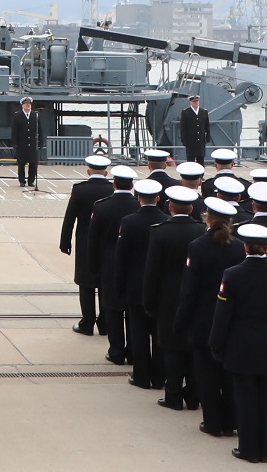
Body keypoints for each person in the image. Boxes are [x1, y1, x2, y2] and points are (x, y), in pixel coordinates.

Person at [209, 223, 267, 463]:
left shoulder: (232, 274)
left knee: (245, 399)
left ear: (244, 247)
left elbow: (222, 314)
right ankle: (266, 448)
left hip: (241, 344)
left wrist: (216, 343)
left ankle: (248, 448)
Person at [178, 199, 244, 437]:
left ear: (207, 218)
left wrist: (181, 320)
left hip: (204, 318)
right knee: (228, 374)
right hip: (231, 320)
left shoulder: (197, 246)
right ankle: (230, 420)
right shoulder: (239, 247)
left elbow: (190, 289)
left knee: (206, 375)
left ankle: (212, 422)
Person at [144, 186, 207, 411]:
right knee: (191, 345)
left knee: (171, 345)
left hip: (168, 293)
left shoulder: (160, 232)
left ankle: (173, 394)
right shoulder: (202, 230)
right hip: (196, 292)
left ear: (170, 207)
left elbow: (152, 270)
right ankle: (193, 395)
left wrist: (149, 301)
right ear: (191, 209)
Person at [114, 180, 167, 390]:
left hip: (136, 287)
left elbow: (121, 260)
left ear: (138, 198)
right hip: (160, 289)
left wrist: (120, 287)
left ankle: (141, 375)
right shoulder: (166, 221)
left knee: (139, 334)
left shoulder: (129, 222)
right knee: (159, 334)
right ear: (159, 199)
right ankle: (159, 376)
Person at [88, 168, 141, 364]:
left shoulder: (101, 207)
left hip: (109, 263)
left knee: (113, 309)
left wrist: (93, 266)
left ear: (114, 185)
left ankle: (117, 351)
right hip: (135, 265)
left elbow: (93, 239)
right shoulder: (138, 205)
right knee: (133, 312)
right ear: (132, 186)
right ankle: (135, 351)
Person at [61, 155, 113, 335]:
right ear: (106, 173)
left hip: (85, 242)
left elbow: (70, 218)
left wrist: (65, 242)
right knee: (105, 284)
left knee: (85, 283)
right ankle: (105, 323)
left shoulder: (79, 190)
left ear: (88, 171)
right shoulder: (112, 190)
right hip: (107, 244)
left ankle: (88, 322)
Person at [11, 98, 42, 189]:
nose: (28, 105)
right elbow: (14, 131)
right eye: (26, 104)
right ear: (22, 105)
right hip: (22, 144)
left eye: (29, 103)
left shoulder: (35, 115)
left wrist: (40, 141)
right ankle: (22, 181)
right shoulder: (17, 116)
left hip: (32, 143)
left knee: (33, 163)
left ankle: (31, 181)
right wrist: (14, 143)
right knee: (21, 163)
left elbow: (40, 129)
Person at [178, 94, 211, 166]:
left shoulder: (204, 112)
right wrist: (184, 141)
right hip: (190, 141)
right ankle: (191, 176)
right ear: (191, 102)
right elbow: (183, 128)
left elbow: (207, 126)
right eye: (194, 101)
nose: (196, 103)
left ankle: (201, 176)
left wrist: (207, 138)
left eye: (197, 101)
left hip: (201, 141)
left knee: (200, 160)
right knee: (190, 160)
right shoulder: (186, 112)